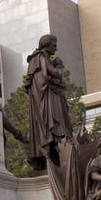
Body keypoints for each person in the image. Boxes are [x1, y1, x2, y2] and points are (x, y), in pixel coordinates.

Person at [24, 34, 72, 169]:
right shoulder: (39, 58)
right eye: (54, 45)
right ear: (46, 44)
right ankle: (50, 159)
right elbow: (54, 74)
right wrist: (59, 66)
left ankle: (57, 159)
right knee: (52, 130)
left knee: (56, 132)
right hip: (47, 101)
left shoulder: (42, 59)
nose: (56, 49)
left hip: (52, 97)